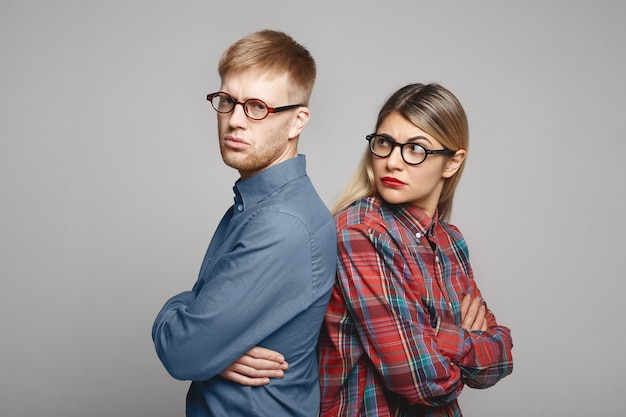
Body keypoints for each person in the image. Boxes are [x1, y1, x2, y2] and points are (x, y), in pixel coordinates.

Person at [151, 29, 337, 417]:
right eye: (227, 101)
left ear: (296, 121)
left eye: (257, 107)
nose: (235, 120)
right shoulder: (256, 203)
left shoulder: (283, 223)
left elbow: (182, 352)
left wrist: (202, 337)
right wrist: (217, 348)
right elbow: (197, 347)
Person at [317, 83, 514, 416]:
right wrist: (464, 338)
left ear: (452, 162)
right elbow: (421, 381)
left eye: (415, 149)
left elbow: (502, 357)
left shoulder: (451, 242)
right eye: (385, 143)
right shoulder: (361, 231)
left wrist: (435, 339)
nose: (393, 162)